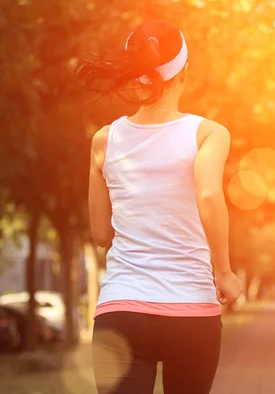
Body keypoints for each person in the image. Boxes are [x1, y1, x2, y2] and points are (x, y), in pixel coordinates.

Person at [76, 19, 242, 394]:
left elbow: (101, 235)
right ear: (184, 72)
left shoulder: (104, 141)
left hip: (121, 310)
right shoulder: (208, 133)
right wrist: (225, 272)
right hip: (191, 309)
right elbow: (209, 196)